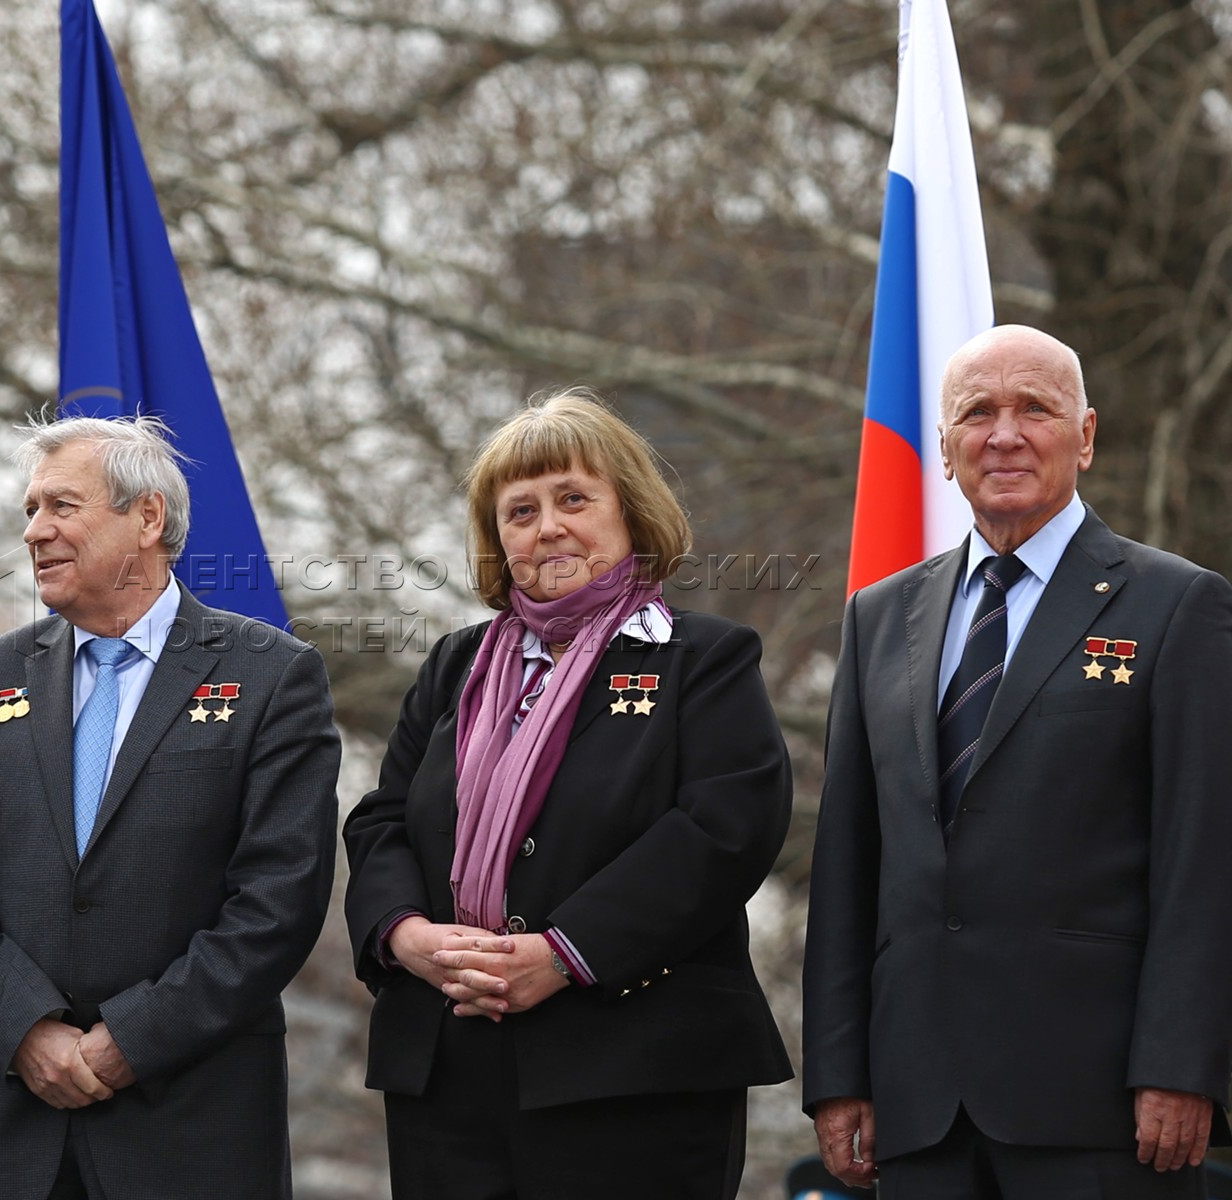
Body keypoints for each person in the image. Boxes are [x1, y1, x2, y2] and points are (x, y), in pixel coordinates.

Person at [803, 324, 1232, 1197]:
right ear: (944, 447)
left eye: (1035, 408)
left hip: (1103, 1103)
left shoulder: (1180, 604)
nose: (1003, 434)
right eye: (977, 413)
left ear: (1085, 435)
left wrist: (1184, 1061)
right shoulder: (879, 616)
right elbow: (847, 861)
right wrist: (839, 1073)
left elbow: (1206, 857)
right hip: (918, 1104)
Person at [343, 388, 794, 1200]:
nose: (548, 526)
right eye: (520, 511)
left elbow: (726, 827)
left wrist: (563, 954)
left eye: (573, 499)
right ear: (498, 540)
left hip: (636, 1072)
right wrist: (404, 936)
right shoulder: (455, 665)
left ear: (632, 513)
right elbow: (382, 820)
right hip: (448, 1067)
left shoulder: (703, 659)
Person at [0, 415, 339, 1200]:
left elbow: (280, 896)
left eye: (62, 507)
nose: (36, 531)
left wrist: (128, 1041)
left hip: (191, 1123)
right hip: (12, 1121)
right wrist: (28, 1029)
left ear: (147, 517)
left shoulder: (272, 675)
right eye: (30, 510)